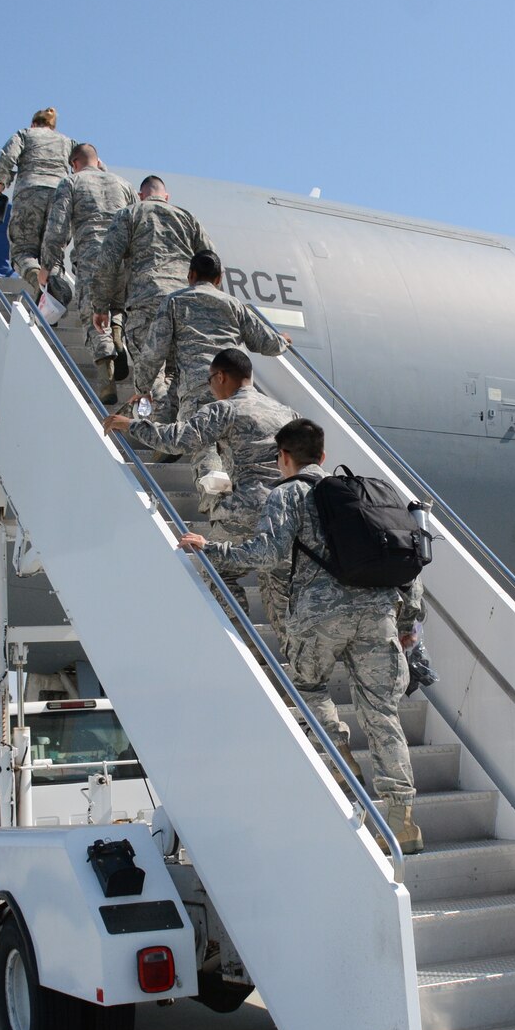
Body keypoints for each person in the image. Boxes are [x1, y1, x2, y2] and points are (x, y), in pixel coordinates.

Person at [175, 418, 425, 854]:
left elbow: (267, 554)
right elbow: (410, 566)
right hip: (379, 614)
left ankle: (342, 764)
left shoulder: (287, 493)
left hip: (319, 616)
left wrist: (209, 547)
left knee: (307, 685)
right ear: (323, 457)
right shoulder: (366, 494)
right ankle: (402, 819)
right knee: (384, 715)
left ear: (282, 459)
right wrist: (408, 630)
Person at [104, 347, 298, 639]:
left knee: (217, 567)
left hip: (245, 509)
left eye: (210, 381)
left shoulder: (224, 409)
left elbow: (178, 440)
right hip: (285, 512)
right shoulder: (286, 412)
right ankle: (292, 662)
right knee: (278, 586)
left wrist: (132, 425)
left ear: (220, 377)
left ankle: (242, 640)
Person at [86, 176, 213, 402]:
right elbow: (211, 262)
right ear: (166, 197)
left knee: (153, 377)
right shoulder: (187, 218)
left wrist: (100, 306)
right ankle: (176, 428)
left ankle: (159, 426)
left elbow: (108, 262)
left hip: (147, 303)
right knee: (177, 375)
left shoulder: (130, 214)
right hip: (185, 305)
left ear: (140, 195)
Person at [133, 249, 290, 426]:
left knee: (203, 449)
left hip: (199, 386)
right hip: (236, 390)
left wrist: (143, 389)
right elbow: (264, 342)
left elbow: (154, 352)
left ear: (190, 275)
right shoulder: (234, 304)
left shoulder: (174, 302)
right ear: (218, 280)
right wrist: (282, 340)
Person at [40, 143, 136, 399]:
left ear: (74, 163)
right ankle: (118, 337)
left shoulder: (71, 182)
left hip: (92, 256)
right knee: (117, 306)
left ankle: (107, 381)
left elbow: (57, 227)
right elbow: (138, 219)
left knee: (94, 314)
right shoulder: (123, 184)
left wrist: (48, 265)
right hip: (123, 255)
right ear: (99, 160)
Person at [0, 108, 73, 286]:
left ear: (34, 124)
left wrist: (0, 183)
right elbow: (94, 165)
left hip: (30, 193)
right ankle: (56, 289)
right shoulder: (67, 141)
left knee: (22, 251)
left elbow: (8, 158)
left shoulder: (25, 134)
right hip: (60, 196)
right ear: (53, 126)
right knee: (53, 254)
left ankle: (36, 279)